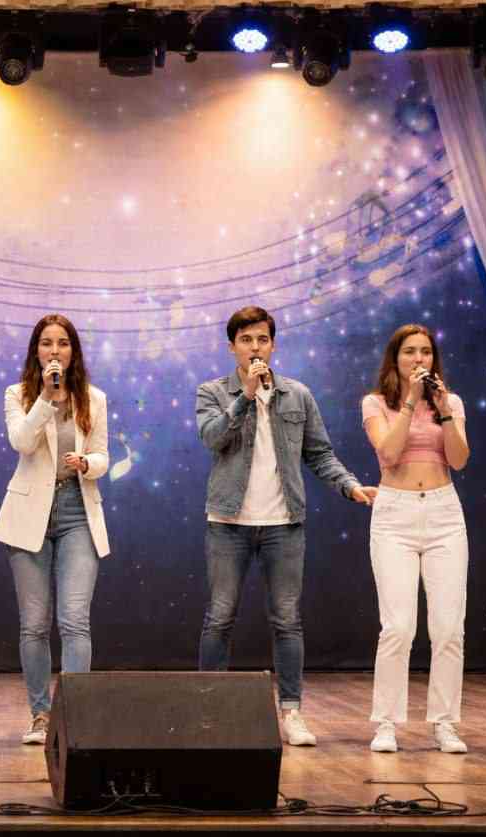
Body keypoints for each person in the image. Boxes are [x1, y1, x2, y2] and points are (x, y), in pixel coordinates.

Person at [196, 305, 378, 746]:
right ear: (232, 347)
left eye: (262, 339)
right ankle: (208, 709)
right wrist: (245, 397)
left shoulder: (297, 395)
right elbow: (213, 438)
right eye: (246, 340)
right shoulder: (213, 392)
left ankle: (292, 712)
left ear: (273, 345)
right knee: (220, 616)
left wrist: (349, 485)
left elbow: (319, 453)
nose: (255, 347)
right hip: (228, 522)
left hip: (284, 523)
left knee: (287, 620)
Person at [0, 314, 110, 745]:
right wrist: (45, 396)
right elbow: (22, 442)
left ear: (73, 351)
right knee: (35, 624)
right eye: (47, 343)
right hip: (30, 515)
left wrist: (87, 463)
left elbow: (103, 456)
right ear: (36, 351)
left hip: (78, 510)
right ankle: (41, 715)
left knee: (75, 619)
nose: (55, 350)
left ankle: (73, 716)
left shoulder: (93, 398)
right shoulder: (18, 394)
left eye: (62, 343)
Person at [361, 325, 470, 754]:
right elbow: (388, 454)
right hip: (395, 515)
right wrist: (410, 400)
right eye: (410, 352)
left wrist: (443, 411)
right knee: (398, 626)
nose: (419, 358)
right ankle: (386, 722)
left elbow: (459, 460)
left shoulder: (451, 402)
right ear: (396, 359)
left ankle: (445, 722)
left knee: (448, 628)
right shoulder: (376, 403)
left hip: (443, 513)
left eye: (426, 351)